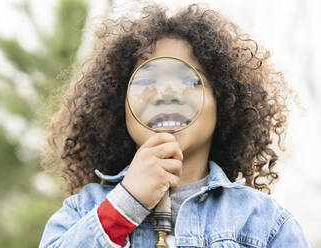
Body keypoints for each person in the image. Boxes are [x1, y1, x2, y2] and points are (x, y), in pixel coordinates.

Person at [39, 2, 310, 247]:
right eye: (147, 80)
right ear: (118, 104)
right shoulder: (83, 210)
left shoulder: (265, 225)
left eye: (189, 81)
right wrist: (125, 205)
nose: (167, 93)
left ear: (224, 102)